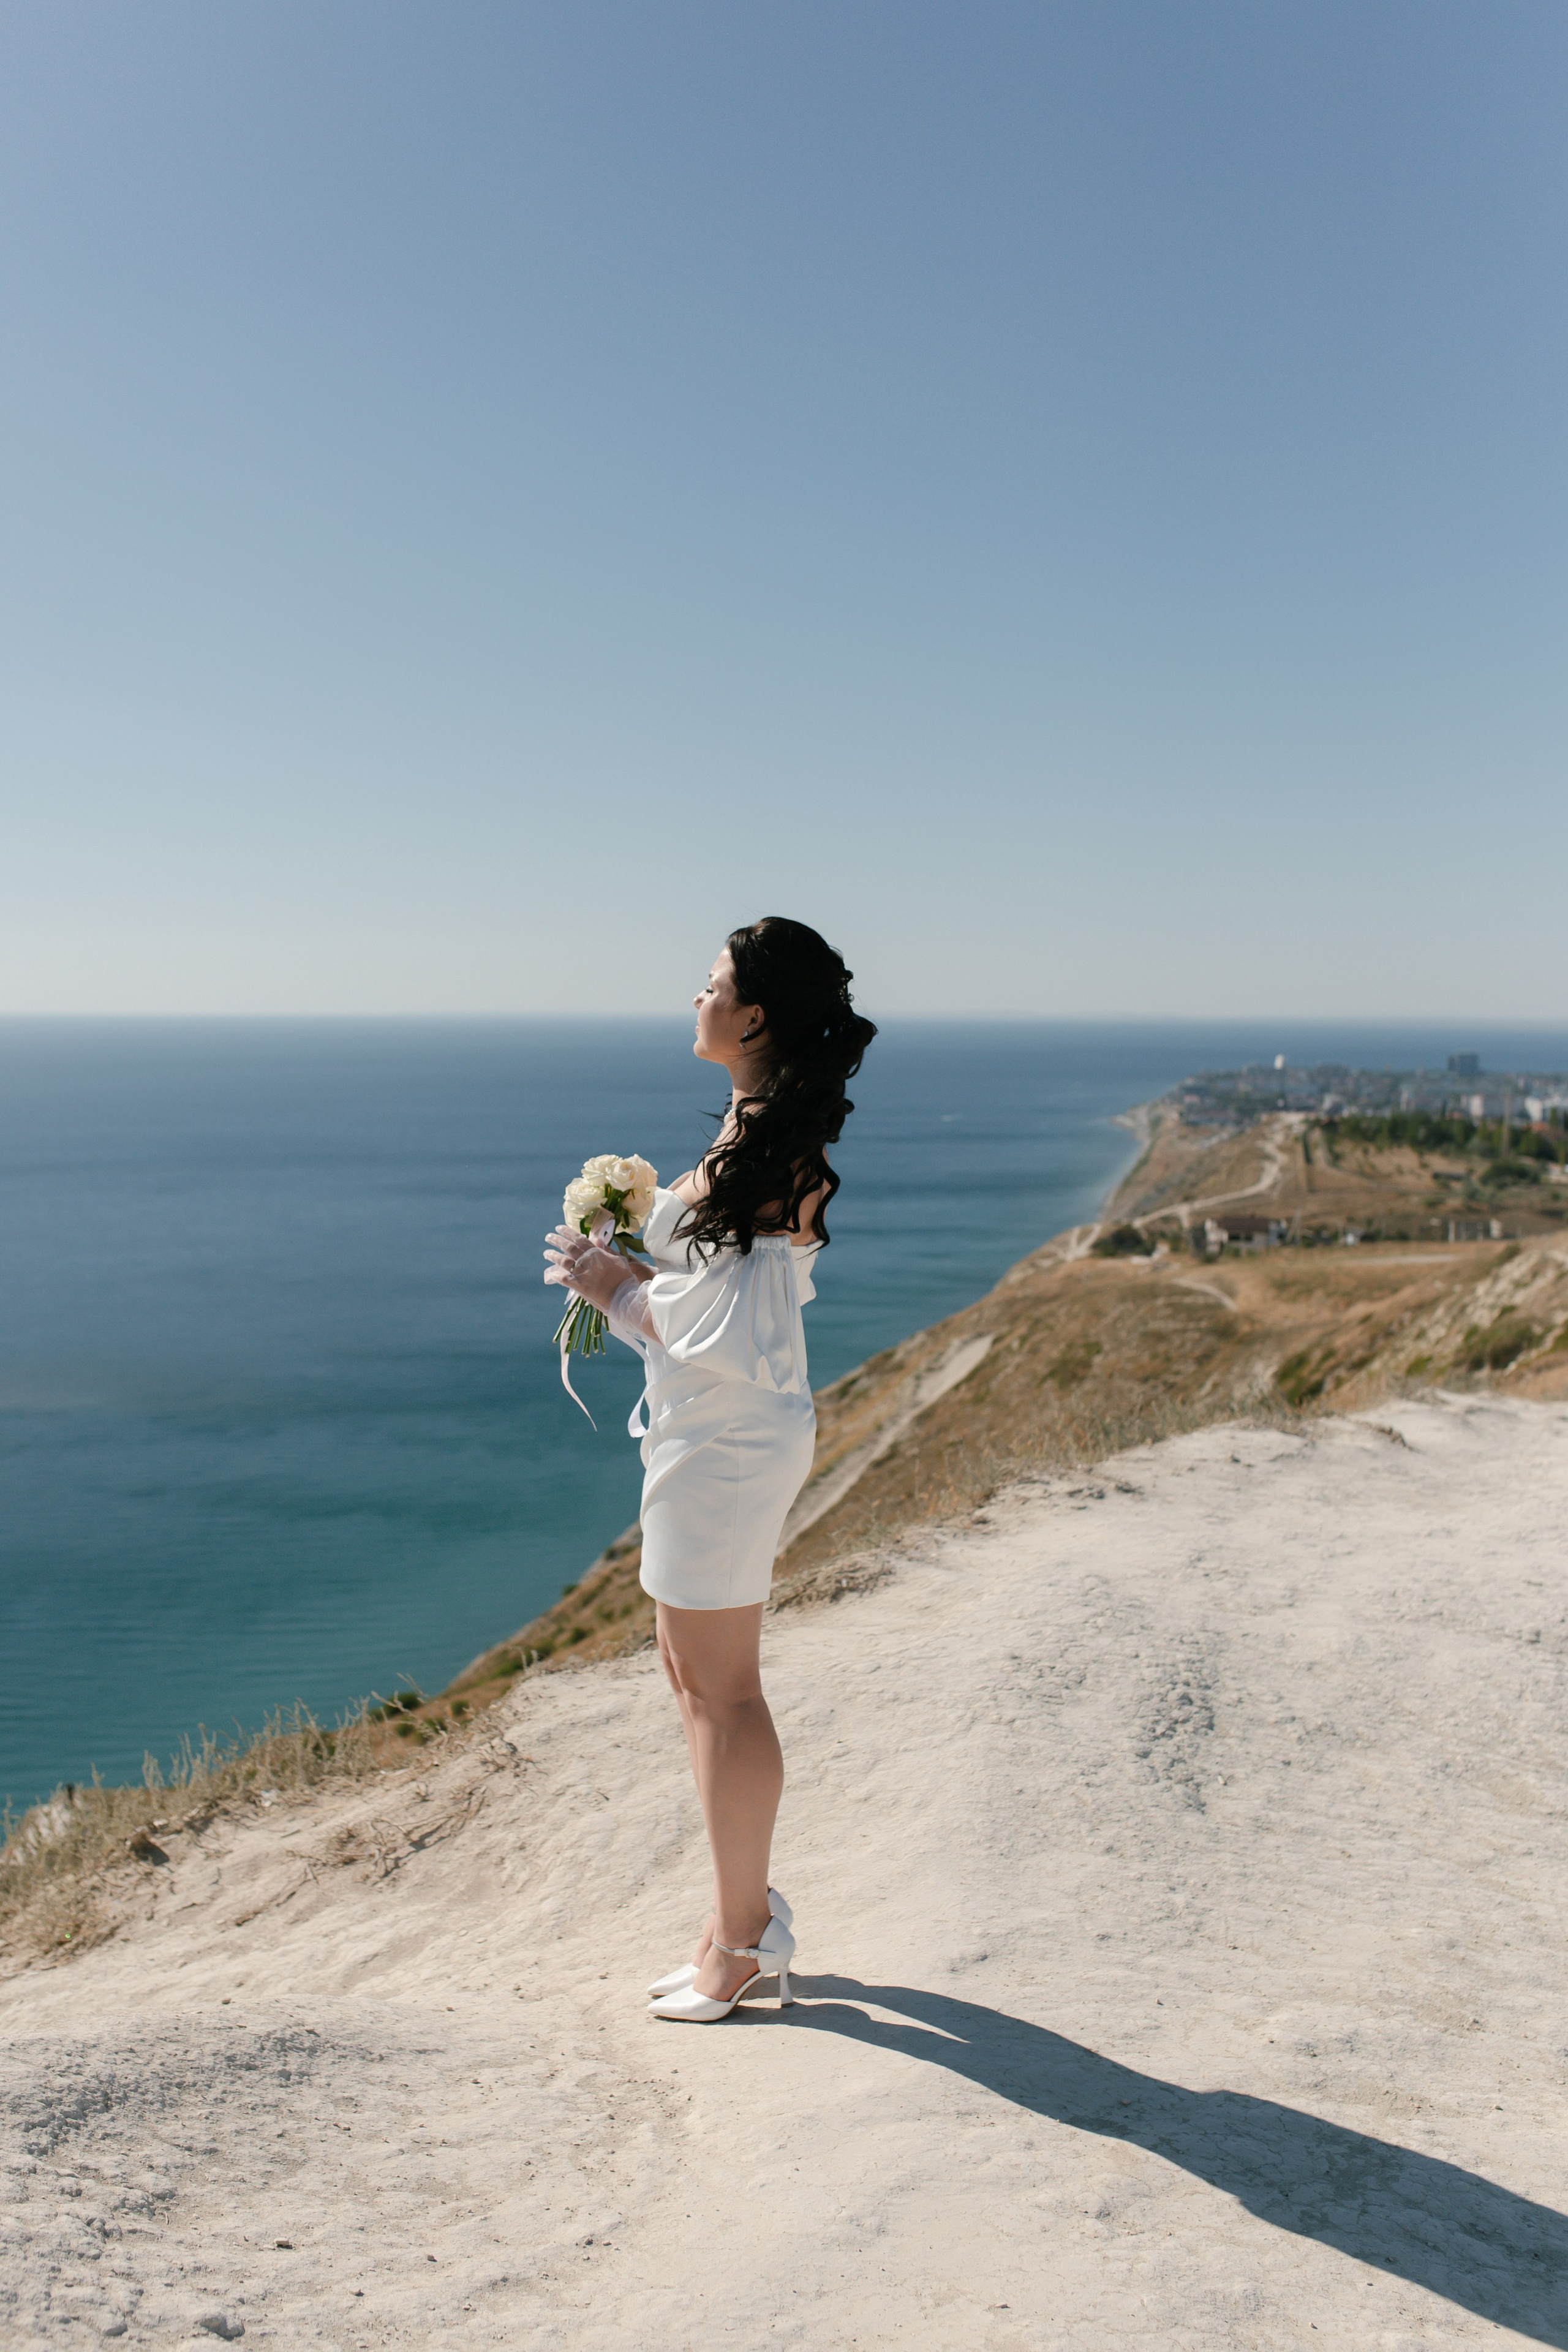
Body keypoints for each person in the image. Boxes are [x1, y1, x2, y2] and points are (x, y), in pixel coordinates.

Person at [543, 917, 876, 2022]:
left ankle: (743, 1942)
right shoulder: (761, 1128)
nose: (696, 999)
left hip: (729, 1439)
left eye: (711, 985)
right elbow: (742, 1305)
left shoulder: (770, 1144)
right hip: (712, 1426)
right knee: (693, 1680)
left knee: (723, 1692)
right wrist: (635, 1277)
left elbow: (735, 1321)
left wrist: (614, 1288)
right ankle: (738, 1917)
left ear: (755, 1015)